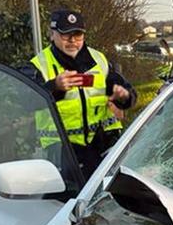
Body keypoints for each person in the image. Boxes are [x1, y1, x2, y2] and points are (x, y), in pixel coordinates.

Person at [28, 9, 136, 177]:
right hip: (64, 153)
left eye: (77, 35)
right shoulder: (38, 65)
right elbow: (25, 102)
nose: (72, 41)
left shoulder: (98, 59)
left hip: (104, 147)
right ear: (51, 34)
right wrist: (54, 87)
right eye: (66, 35)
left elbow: (127, 93)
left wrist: (124, 96)